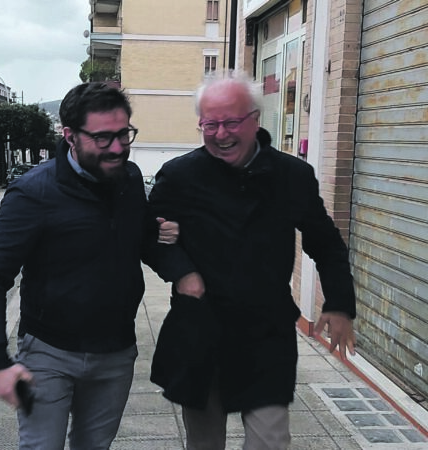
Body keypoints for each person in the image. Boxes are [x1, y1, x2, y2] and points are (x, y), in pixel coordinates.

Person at [0, 82, 194, 450]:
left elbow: (141, 240)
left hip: (116, 352)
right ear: (70, 136)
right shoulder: (33, 192)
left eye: (123, 134)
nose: (117, 147)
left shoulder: (129, 178)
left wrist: (182, 269)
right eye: (103, 138)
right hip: (48, 353)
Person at [148, 72, 357, 450]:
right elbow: (150, 237)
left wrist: (339, 304)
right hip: (200, 328)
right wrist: (182, 272)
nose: (221, 134)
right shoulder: (179, 175)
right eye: (210, 124)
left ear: (255, 119)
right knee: (203, 443)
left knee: (270, 440)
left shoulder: (292, 175)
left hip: (265, 334)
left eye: (231, 122)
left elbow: (326, 243)